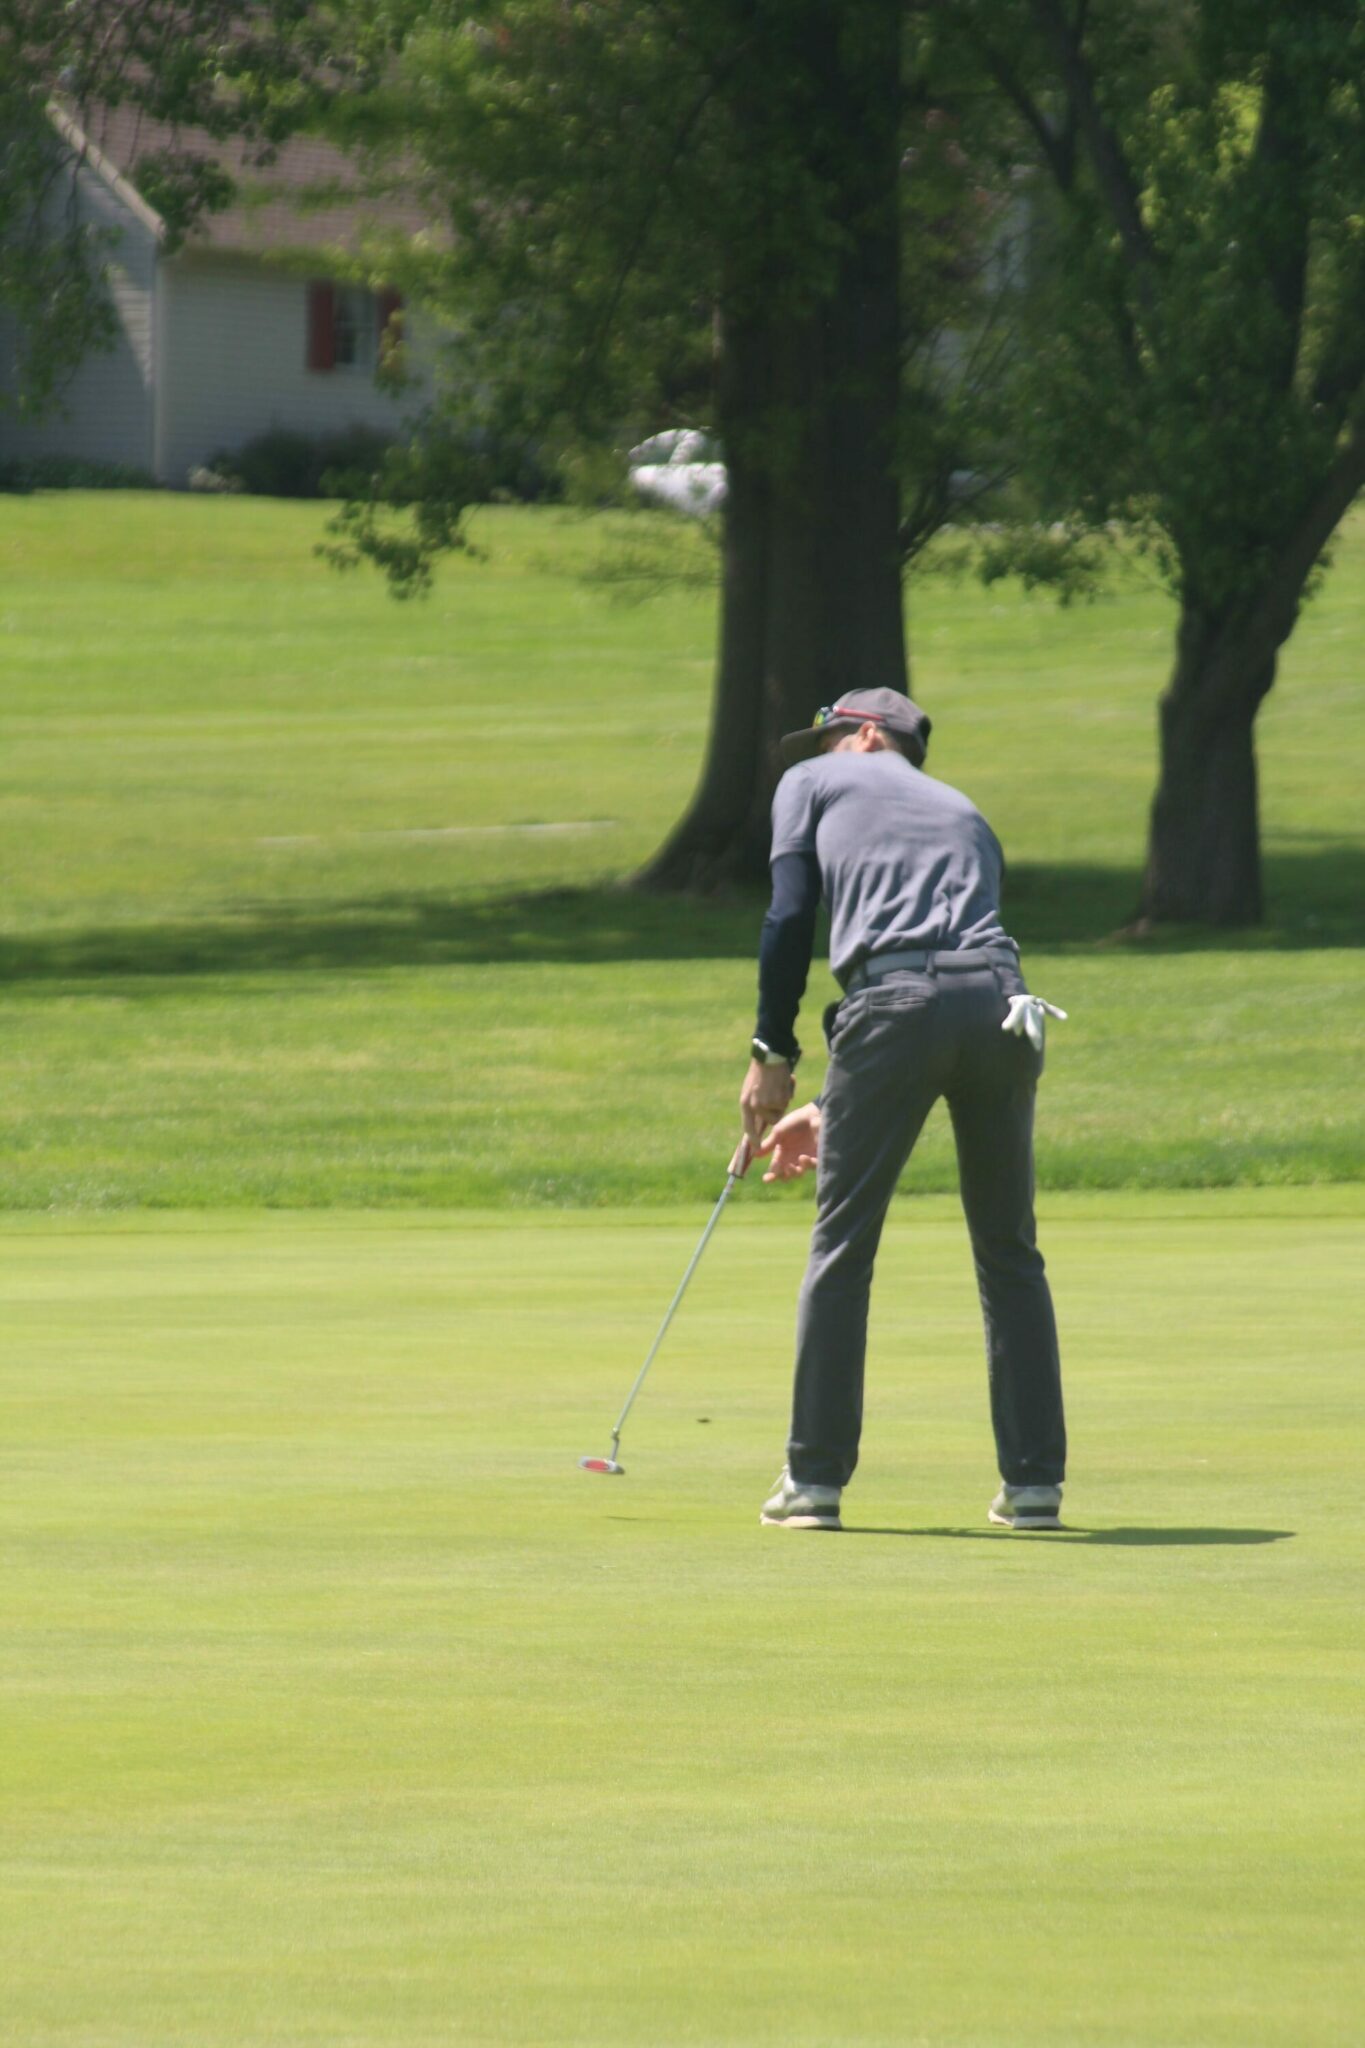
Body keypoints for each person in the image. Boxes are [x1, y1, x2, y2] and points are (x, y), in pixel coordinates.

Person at [738, 686, 1067, 1533]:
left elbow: (788, 916)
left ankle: (813, 1482)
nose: (815, 752)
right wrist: (827, 1101)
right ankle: (1033, 1485)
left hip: (895, 1007)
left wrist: (772, 1052)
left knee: (842, 1245)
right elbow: (948, 974)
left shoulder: (810, 785)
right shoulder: (963, 809)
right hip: (1005, 1007)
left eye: (827, 737)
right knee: (1008, 1249)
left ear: (869, 734)